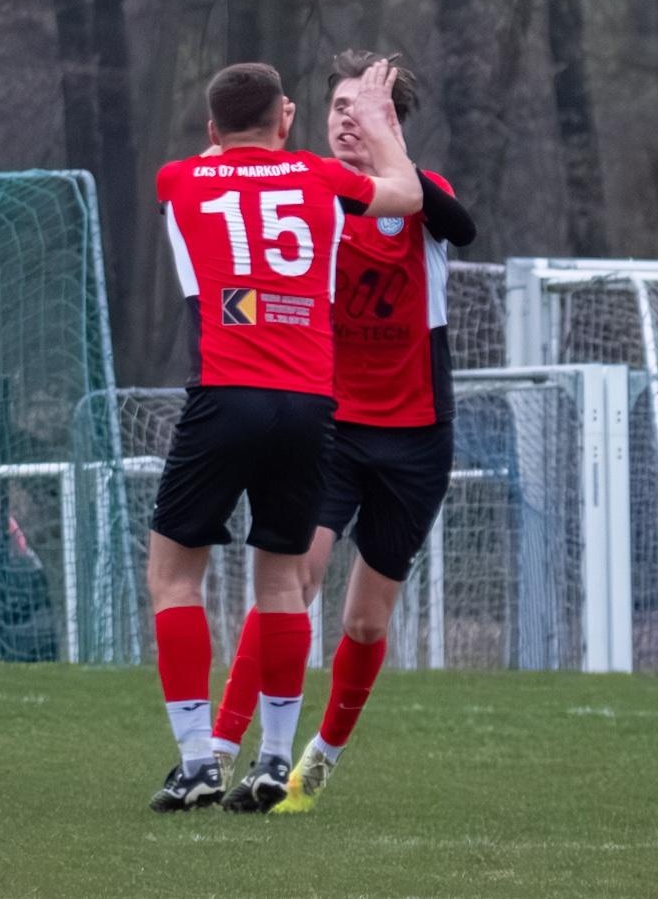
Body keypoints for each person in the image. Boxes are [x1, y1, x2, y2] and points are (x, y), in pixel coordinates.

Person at [147, 59, 420, 814]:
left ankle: (199, 760)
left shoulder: (178, 179)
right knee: (280, 584)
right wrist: (379, 126)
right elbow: (407, 193)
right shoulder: (318, 178)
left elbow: (212, 166)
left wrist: (224, 148)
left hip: (225, 395)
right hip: (308, 404)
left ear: (210, 130)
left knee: (175, 577)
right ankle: (272, 760)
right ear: (288, 120)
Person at [208, 50, 475, 813]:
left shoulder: (426, 200)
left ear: (393, 121)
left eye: (365, 107)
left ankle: (320, 757)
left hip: (418, 437)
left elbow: (465, 226)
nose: (346, 120)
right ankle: (219, 752)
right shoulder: (309, 195)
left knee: (363, 619)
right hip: (331, 426)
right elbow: (250, 285)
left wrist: (391, 151)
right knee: (293, 579)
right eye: (337, 108)